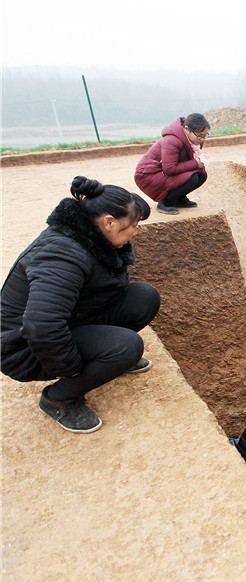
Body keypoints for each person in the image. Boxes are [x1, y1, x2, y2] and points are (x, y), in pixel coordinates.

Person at [1, 176, 160, 434]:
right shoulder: (62, 255)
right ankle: (59, 398)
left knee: (143, 297)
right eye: (134, 225)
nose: (136, 231)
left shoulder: (91, 238)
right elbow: (41, 326)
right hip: (22, 347)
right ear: (109, 222)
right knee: (127, 346)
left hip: (69, 319)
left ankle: (105, 361)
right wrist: (72, 368)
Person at [134, 113, 210, 215]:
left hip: (162, 172)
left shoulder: (192, 140)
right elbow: (169, 169)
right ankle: (165, 202)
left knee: (202, 175)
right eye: (199, 136)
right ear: (186, 129)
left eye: (205, 136)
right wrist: (196, 163)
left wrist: (199, 165)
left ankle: (178, 198)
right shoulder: (172, 140)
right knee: (192, 178)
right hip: (148, 175)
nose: (202, 139)